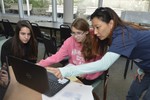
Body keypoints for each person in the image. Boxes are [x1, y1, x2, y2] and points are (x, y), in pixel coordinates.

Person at [47, 7, 150, 100]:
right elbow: (143, 51)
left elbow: (103, 65)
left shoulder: (124, 36)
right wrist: (143, 67)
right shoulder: (113, 33)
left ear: (111, 23)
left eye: (98, 27)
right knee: (132, 95)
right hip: (146, 67)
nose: (95, 32)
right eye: (93, 27)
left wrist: (65, 71)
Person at [38, 18, 104, 86]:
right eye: (73, 33)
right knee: (59, 82)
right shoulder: (69, 41)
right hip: (74, 70)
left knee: (72, 89)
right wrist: (40, 64)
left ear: (86, 32)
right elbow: (57, 57)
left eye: (79, 33)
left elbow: (95, 65)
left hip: (89, 75)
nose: (75, 36)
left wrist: (83, 72)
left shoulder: (94, 42)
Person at [0, 20, 38, 99]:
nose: (26, 37)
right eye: (23, 34)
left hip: (26, 74)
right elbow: (5, 67)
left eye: (29, 34)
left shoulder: (33, 43)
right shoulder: (7, 45)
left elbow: (32, 63)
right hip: (11, 74)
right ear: (17, 33)